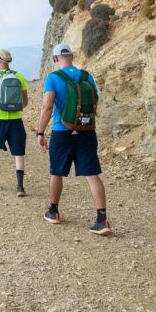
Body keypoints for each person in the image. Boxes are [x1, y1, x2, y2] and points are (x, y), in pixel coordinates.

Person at [36, 42, 110, 235]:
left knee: (57, 172)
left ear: (55, 59)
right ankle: (102, 220)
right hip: (86, 131)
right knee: (92, 174)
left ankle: (54, 211)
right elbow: (95, 101)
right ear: (72, 57)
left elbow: (47, 107)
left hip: (62, 132)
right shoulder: (87, 76)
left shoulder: (53, 78)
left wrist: (40, 132)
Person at [0, 49, 29, 196]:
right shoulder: (19, 77)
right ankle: (20, 187)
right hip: (16, 121)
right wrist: (14, 108)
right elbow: (25, 102)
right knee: (18, 153)